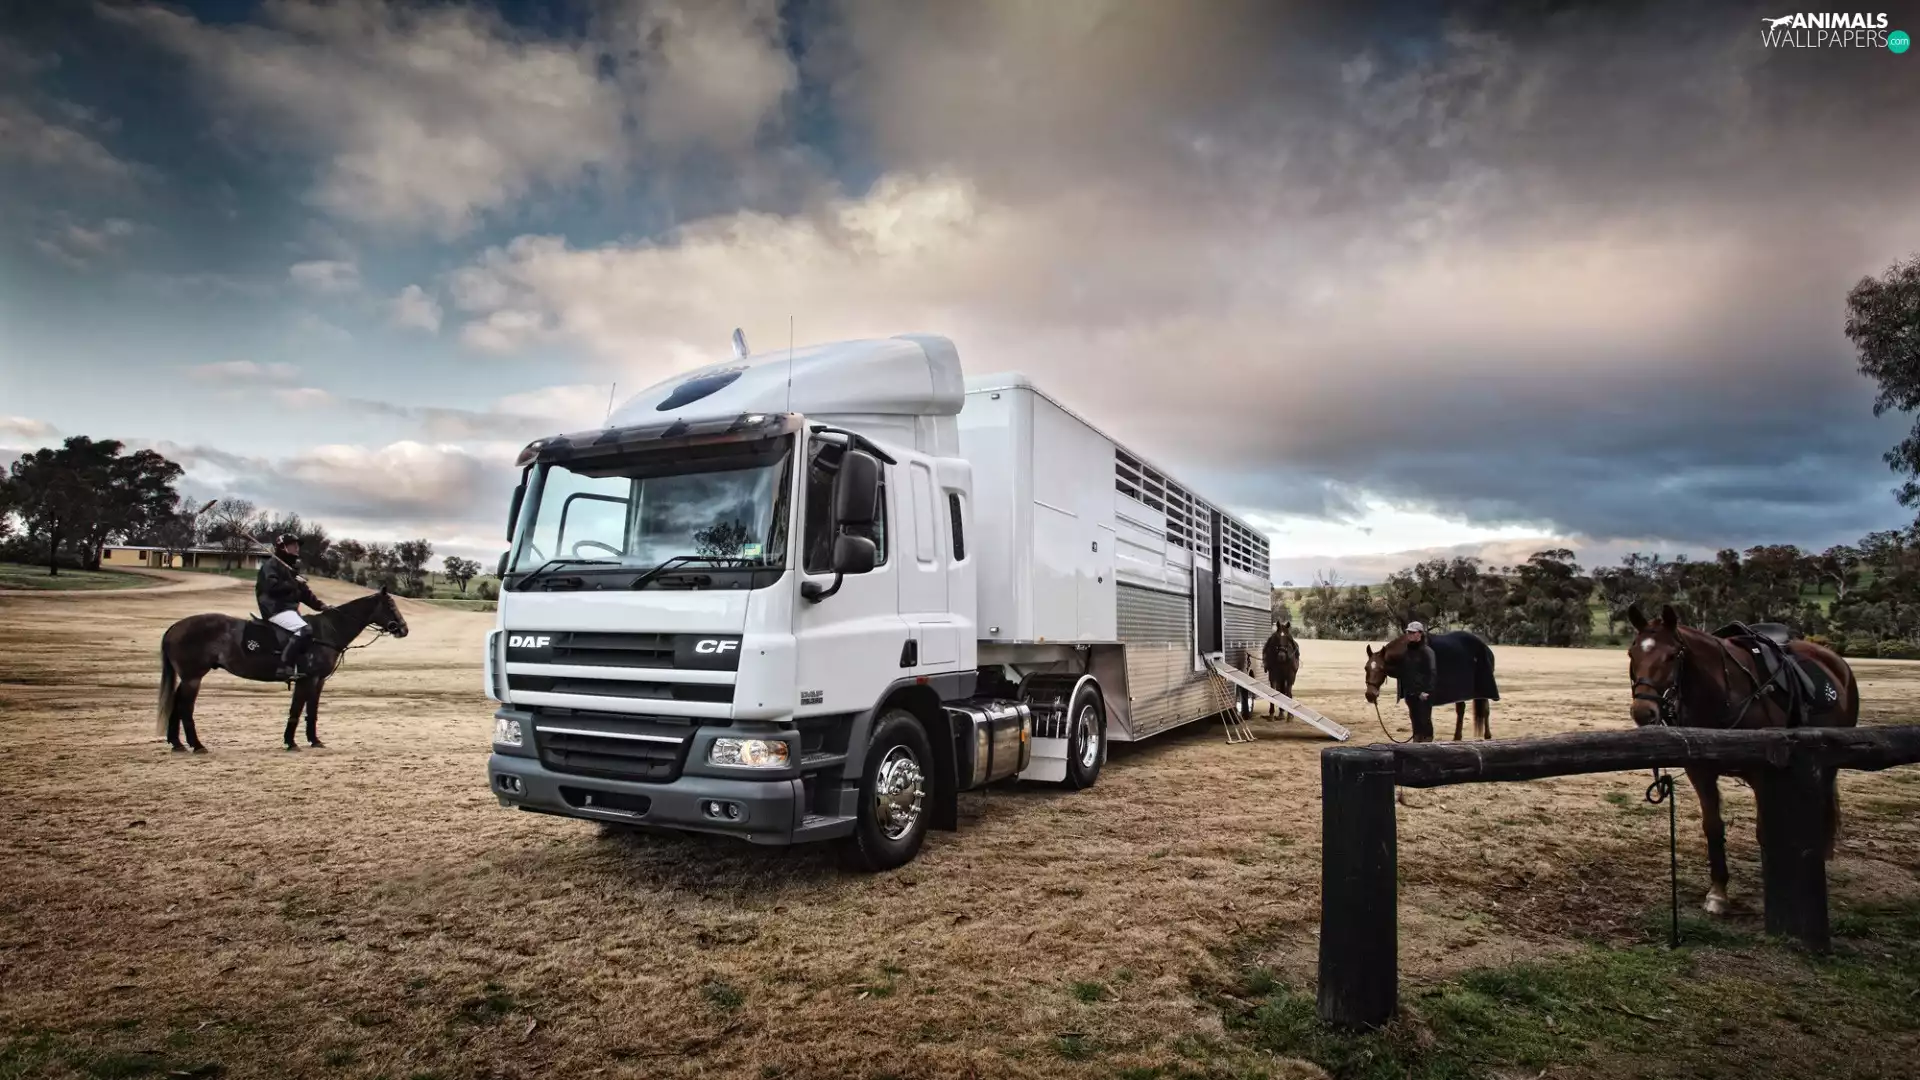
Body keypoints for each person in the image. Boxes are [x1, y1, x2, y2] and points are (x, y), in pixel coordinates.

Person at [256, 533, 330, 678]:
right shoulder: (271, 565)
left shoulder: (291, 568)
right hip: (274, 609)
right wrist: (293, 582)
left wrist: (321, 606)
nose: (297, 548)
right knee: (305, 630)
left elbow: (304, 594)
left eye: (297, 545)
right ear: (283, 547)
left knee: (311, 631)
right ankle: (284, 667)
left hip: (288, 610)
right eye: (293, 545)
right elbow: (272, 587)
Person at [1398, 620, 1437, 740]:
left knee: (1425, 720)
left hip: (1423, 694)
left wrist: (1426, 691)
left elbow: (1432, 673)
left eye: (1412, 632)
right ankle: (1416, 743)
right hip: (1410, 693)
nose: (1409, 634)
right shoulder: (1406, 652)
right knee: (1415, 720)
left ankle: (1427, 744)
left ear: (1419, 634)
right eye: (1408, 632)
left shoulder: (1427, 652)